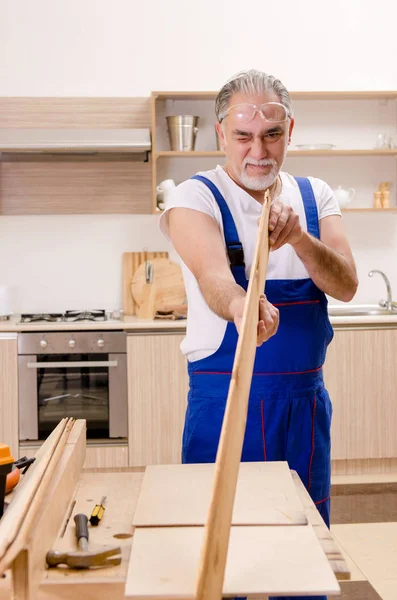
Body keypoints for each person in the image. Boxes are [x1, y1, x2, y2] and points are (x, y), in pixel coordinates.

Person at [159, 69, 358, 600]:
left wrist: (301, 240)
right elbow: (213, 279)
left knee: (301, 559)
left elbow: (346, 284)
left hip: (303, 409)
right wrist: (244, 307)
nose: (258, 151)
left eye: (271, 135)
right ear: (221, 132)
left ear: (290, 129)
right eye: (243, 136)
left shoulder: (316, 197)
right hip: (225, 404)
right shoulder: (192, 198)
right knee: (218, 562)